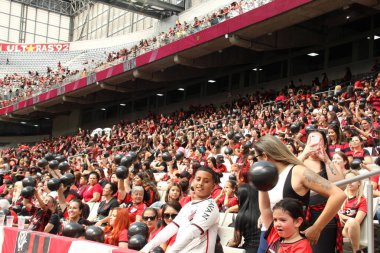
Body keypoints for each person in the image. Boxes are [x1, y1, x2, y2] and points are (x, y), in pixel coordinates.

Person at [253, 135, 346, 253]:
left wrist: (317, 227)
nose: (256, 162)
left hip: (293, 243)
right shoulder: (266, 175)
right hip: (270, 236)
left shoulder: (298, 172)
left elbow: (338, 195)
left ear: (265, 156)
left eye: (257, 157)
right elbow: (266, 210)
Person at [140, 166, 219, 253]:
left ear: (213, 186)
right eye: (198, 179)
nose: (200, 183)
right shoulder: (188, 205)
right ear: (192, 181)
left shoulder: (210, 206)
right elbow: (171, 228)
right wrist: (145, 249)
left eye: (206, 181)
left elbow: (192, 232)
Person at [338, 170, 367, 252]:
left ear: (359, 183)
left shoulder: (362, 200)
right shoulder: (340, 197)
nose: (349, 182)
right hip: (336, 227)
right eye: (347, 180)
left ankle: (356, 251)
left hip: (349, 229)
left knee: (352, 222)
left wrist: (340, 215)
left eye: (352, 180)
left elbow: (356, 222)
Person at [227, 184, 260, 253]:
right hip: (263, 248)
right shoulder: (262, 212)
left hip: (248, 249)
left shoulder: (241, 215)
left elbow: (235, 242)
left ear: (241, 197)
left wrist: (226, 246)